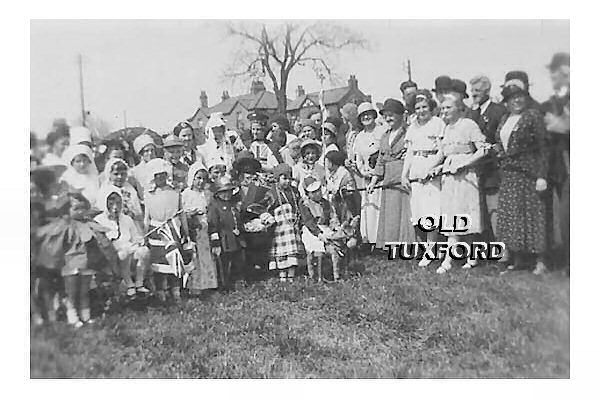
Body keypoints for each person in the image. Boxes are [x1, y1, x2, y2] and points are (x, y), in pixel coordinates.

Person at [495, 82, 549, 275]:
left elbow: (543, 147)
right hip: (509, 174)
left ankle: (540, 261)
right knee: (513, 217)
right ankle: (518, 259)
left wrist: (542, 176)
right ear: (506, 102)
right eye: (512, 98)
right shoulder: (505, 118)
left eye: (520, 96)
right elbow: (500, 143)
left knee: (533, 216)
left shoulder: (532, 116)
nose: (517, 100)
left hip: (528, 174)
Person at [435, 93, 488, 274]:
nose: (444, 111)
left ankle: (464, 257)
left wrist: (464, 164)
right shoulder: (446, 128)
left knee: (466, 212)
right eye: (442, 108)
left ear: (459, 107)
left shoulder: (468, 125)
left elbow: (483, 149)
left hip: (466, 175)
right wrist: (436, 167)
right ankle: (455, 257)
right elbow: (444, 153)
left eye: (448, 107)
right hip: (449, 176)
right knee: (451, 214)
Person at [402, 90, 445, 266]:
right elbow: (410, 153)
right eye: (417, 108)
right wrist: (404, 174)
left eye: (424, 107)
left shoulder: (437, 123)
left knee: (431, 211)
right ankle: (427, 247)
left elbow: (443, 150)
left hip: (431, 167)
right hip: (416, 168)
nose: (421, 111)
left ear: (431, 107)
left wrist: (430, 168)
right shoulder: (412, 127)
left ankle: (432, 249)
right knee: (419, 211)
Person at [367, 98, 415, 249]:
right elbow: (380, 161)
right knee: (391, 213)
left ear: (401, 115)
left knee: (405, 212)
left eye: (392, 114)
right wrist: (374, 182)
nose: (388, 118)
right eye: (386, 115)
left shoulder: (409, 132)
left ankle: (408, 245)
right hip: (388, 179)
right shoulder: (385, 136)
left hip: (403, 177)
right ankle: (393, 245)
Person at [144, 158, 192, 304]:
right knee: (160, 263)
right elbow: (147, 216)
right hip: (157, 231)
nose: (160, 178)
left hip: (173, 229)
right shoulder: (149, 194)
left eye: (163, 174)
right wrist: (145, 234)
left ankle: (175, 289)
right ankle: (160, 290)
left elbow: (181, 212)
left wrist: (186, 232)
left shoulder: (175, 191)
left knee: (175, 258)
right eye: (157, 175)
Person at [467, 75, 508, 241]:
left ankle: (503, 252)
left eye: (477, 91)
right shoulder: (471, 113)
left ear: (487, 91)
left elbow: (502, 139)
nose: (473, 94)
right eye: (472, 91)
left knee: (494, 210)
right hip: (476, 169)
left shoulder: (498, 111)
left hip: (493, 169)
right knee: (480, 210)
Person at [542, 52, 570, 270]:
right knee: (565, 218)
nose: (554, 79)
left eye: (555, 74)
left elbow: (564, 127)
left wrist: (555, 124)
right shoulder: (560, 99)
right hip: (561, 166)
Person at [95, 190, 150, 297]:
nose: (115, 207)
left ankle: (139, 283)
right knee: (123, 254)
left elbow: (135, 237)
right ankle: (129, 284)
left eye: (118, 203)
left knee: (144, 251)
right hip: (112, 256)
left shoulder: (127, 219)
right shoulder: (99, 221)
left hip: (129, 252)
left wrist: (140, 241)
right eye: (111, 204)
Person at [262, 163, 307, 282]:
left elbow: (299, 206)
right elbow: (265, 207)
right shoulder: (272, 192)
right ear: (277, 178)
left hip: (292, 226)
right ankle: (282, 276)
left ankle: (291, 276)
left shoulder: (294, 191)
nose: (287, 181)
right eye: (284, 178)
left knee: (292, 251)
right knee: (281, 252)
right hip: (280, 227)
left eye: (289, 178)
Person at [182, 162, 218, 294]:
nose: (201, 182)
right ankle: (194, 286)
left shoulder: (206, 195)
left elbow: (209, 212)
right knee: (194, 256)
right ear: (192, 178)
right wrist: (189, 215)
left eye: (203, 179)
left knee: (205, 257)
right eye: (198, 178)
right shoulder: (186, 194)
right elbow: (182, 212)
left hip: (204, 229)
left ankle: (207, 284)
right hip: (192, 230)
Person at [353, 102, 385, 247]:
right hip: (367, 177)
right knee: (369, 208)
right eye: (362, 115)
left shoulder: (382, 131)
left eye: (368, 113)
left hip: (381, 177)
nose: (366, 117)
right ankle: (370, 241)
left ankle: (381, 241)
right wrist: (363, 171)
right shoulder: (359, 137)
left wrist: (376, 172)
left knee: (380, 207)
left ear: (374, 114)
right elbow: (358, 159)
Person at [208, 178, 247, 290]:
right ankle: (224, 285)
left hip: (236, 237)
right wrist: (216, 242)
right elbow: (213, 225)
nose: (227, 194)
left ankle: (238, 281)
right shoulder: (215, 206)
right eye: (224, 192)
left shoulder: (232, 204)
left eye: (229, 191)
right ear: (218, 193)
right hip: (224, 239)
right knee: (224, 263)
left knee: (238, 260)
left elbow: (237, 219)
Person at [299, 177, 336, 282]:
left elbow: (331, 216)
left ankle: (330, 273)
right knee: (315, 245)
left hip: (324, 227)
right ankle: (316, 276)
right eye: (313, 192)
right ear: (308, 194)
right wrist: (318, 233)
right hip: (311, 230)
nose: (317, 194)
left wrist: (333, 226)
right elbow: (308, 221)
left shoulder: (325, 203)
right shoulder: (305, 204)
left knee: (333, 244)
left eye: (318, 190)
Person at [98, 158, 144, 229]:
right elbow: (103, 210)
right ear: (109, 174)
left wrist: (133, 214)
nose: (120, 177)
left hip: (132, 224)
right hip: (113, 224)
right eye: (116, 174)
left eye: (123, 174)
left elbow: (137, 210)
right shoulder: (106, 190)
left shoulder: (130, 188)